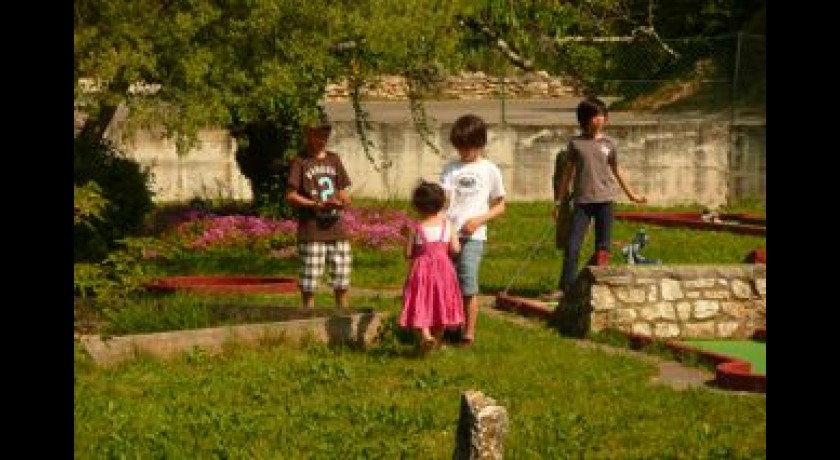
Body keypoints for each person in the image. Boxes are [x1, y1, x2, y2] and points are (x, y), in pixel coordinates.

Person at [546, 96, 646, 300]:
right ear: (585, 120)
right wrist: (558, 201)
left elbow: (617, 171)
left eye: (602, 115)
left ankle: (591, 285)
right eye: (595, 116)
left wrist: (632, 194)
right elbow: (567, 175)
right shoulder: (576, 144)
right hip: (582, 203)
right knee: (573, 246)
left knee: (603, 248)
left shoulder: (609, 144)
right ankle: (565, 288)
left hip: (605, 202)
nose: (599, 119)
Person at [440, 114, 507, 345]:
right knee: (448, 282)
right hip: (450, 235)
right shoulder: (450, 168)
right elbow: (445, 201)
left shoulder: (490, 170)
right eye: (460, 147)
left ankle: (469, 334)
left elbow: (501, 206)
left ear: (480, 143)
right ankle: (450, 326)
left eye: (468, 146)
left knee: (468, 284)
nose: (464, 151)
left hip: (474, 237)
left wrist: (479, 220)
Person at [285, 111, 353, 310]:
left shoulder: (334, 159)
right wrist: (314, 205)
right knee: (310, 278)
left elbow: (342, 189)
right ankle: (307, 315)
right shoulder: (301, 162)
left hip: (336, 228)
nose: (321, 140)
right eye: (317, 135)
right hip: (312, 230)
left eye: (324, 135)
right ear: (308, 134)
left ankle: (343, 314)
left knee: (342, 277)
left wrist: (343, 201)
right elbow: (290, 195)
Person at [399, 181, 465, 353]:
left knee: (421, 301)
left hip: (421, 271)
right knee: (441, 302)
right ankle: (435, 341)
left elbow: (408, 254)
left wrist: (406, 238)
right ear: (441, 203)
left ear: (417, 206)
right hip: (444, 271)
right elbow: (456, 249)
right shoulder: (447, 225)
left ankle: (426, 336)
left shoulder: (416, 227)